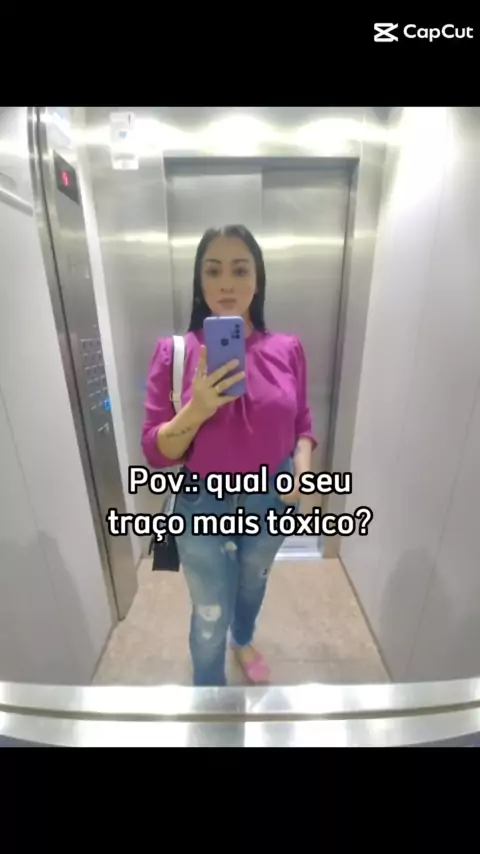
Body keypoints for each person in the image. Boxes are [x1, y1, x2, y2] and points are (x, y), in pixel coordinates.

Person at [141, 224, 316, 687]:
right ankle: (208, 689)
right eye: (213, 270)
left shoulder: (287, 349)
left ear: (258, 280)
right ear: (199, 281)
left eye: (240, 270)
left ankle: (243, 639)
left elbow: (302, 422)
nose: (226, 283)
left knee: (253, 583)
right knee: (208, 609)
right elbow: (157, 451)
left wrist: (302, 476)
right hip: (202, 502)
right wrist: (198, 408)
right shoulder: (174, 354)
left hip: (271, 497)